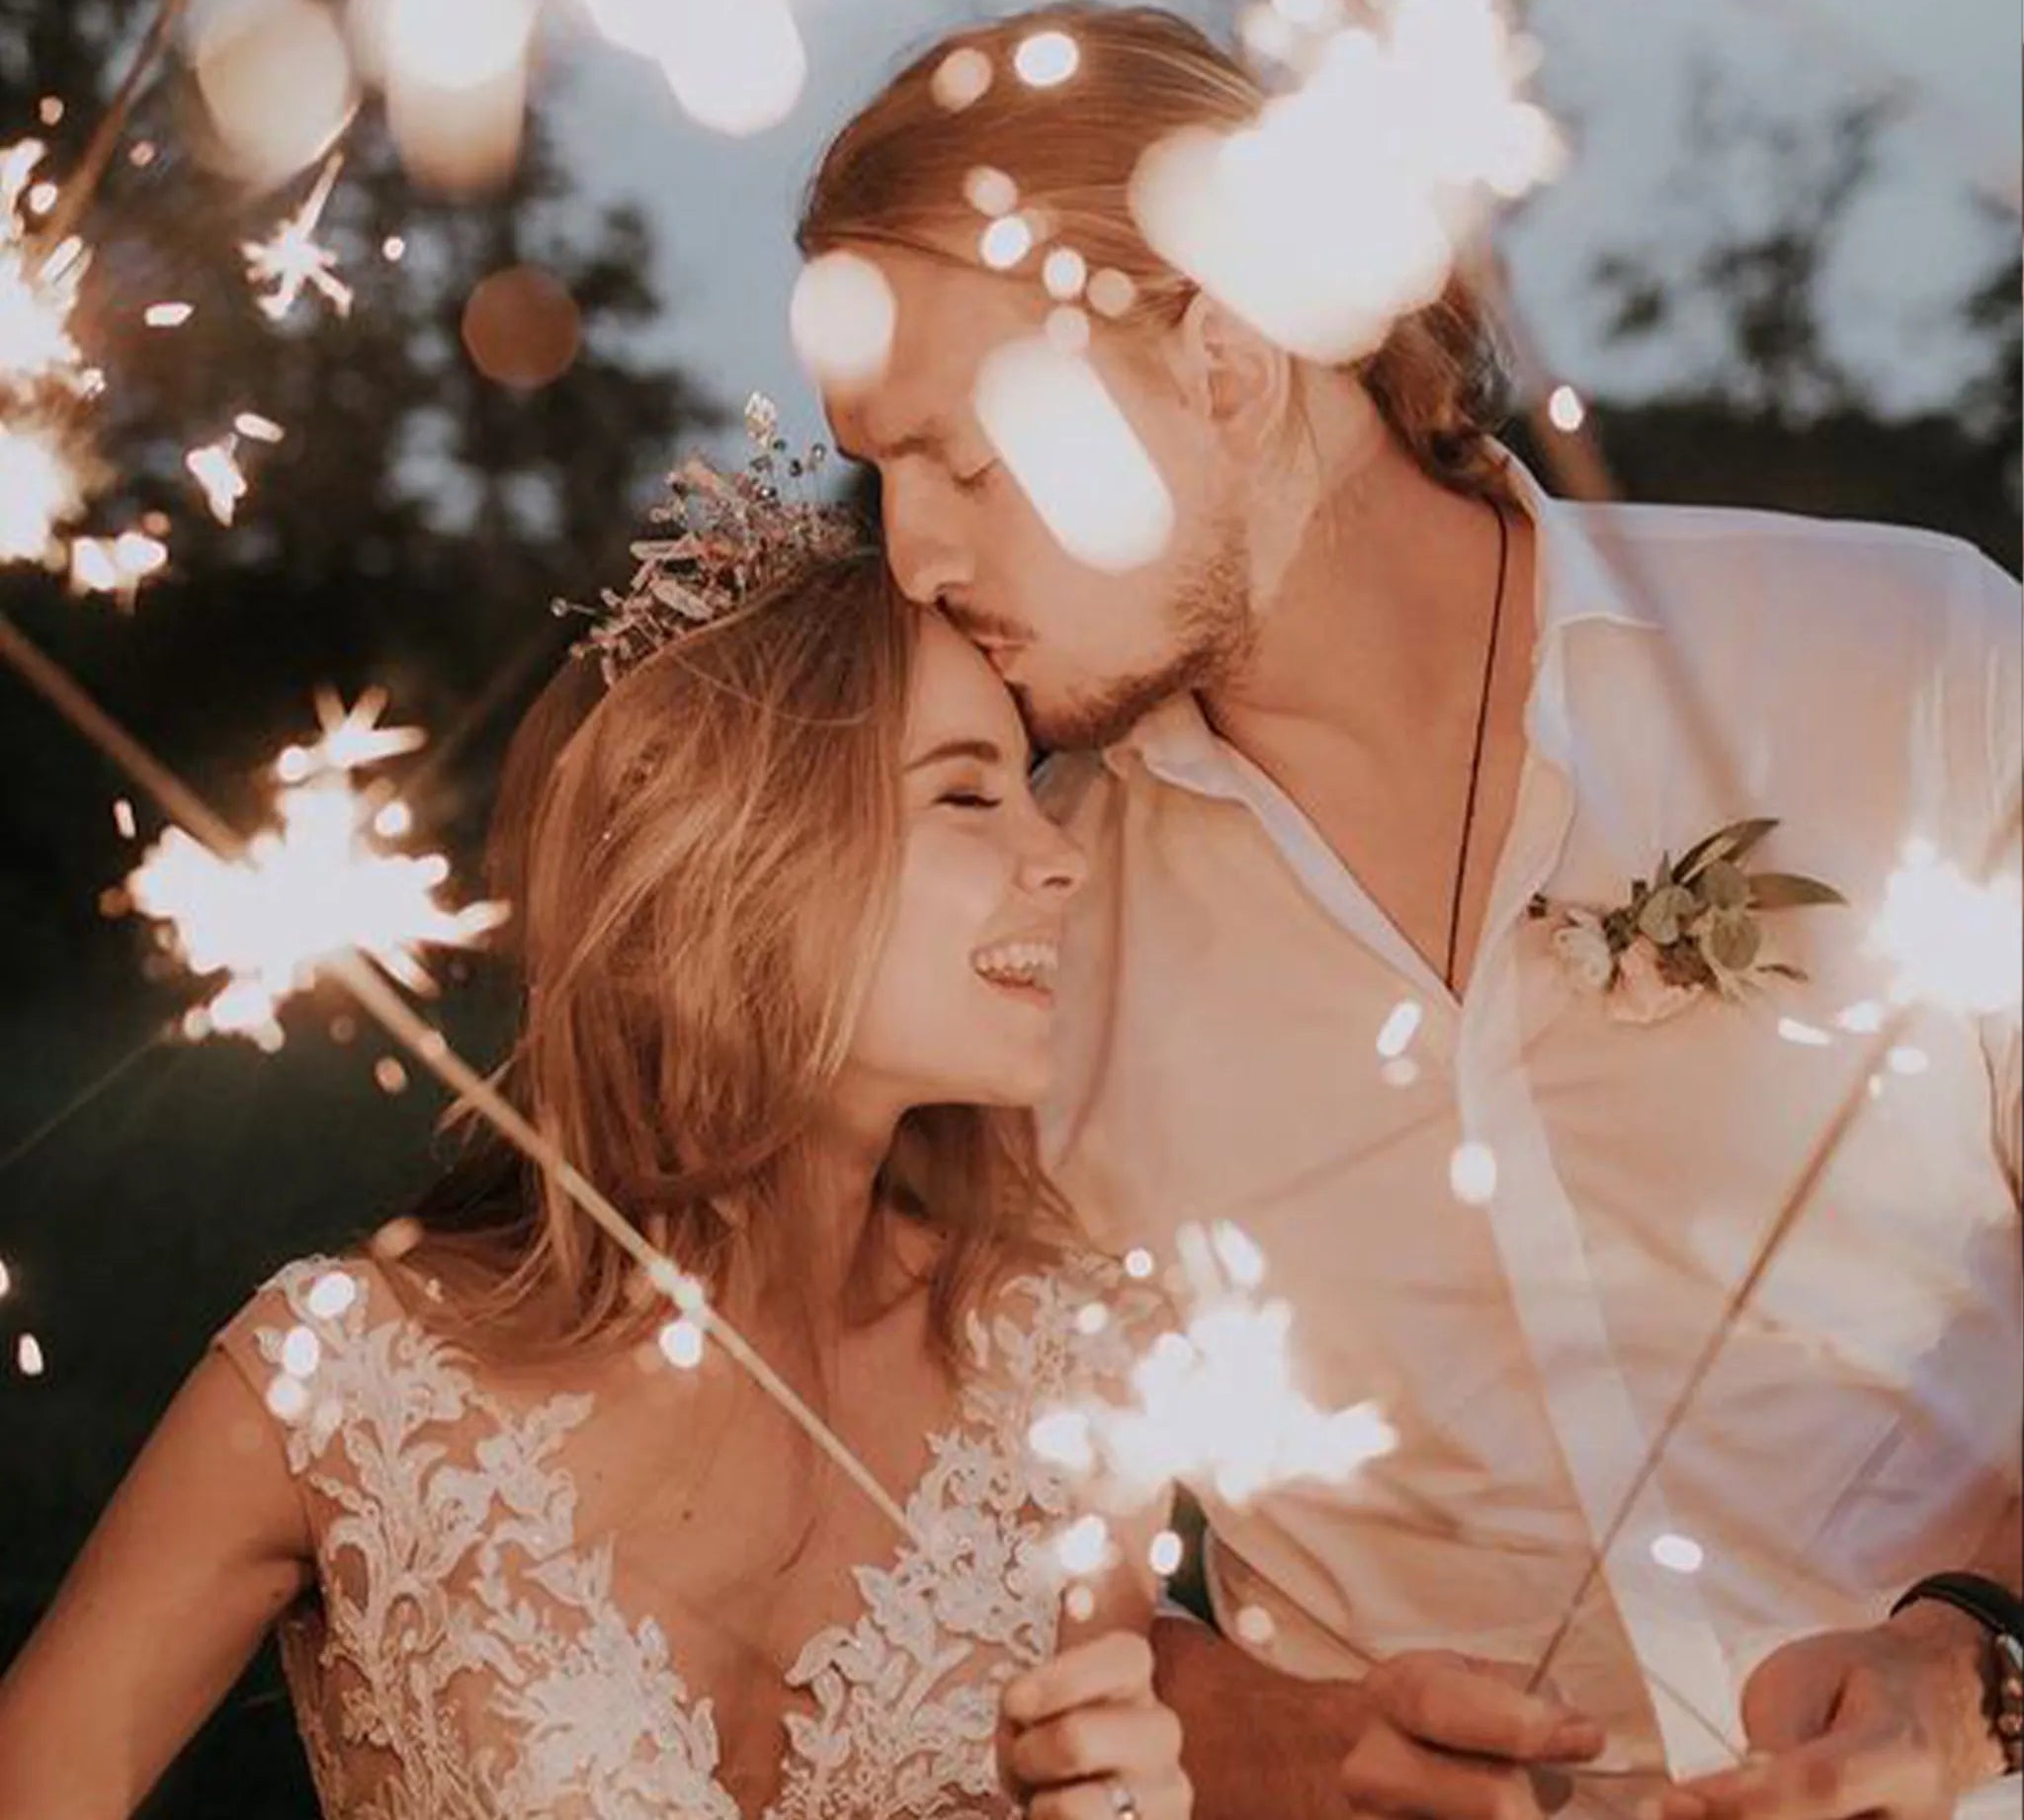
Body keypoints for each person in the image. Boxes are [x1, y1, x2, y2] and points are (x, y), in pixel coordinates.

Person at [798, 0, 2024, 1820]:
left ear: (1219, 361)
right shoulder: (1028, 942)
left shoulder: (1916, 664)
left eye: (966, 461)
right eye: (876, 473)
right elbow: (1053, 1605)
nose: (911, 556)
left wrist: (1977, 1662)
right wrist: (1280, 1738)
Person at [0, 529, 1195, 1820]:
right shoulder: (343, 1390)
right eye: (967, 795)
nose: (1060, 852)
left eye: (1029, 782)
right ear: (736, 860)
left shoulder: (1082, 1381)